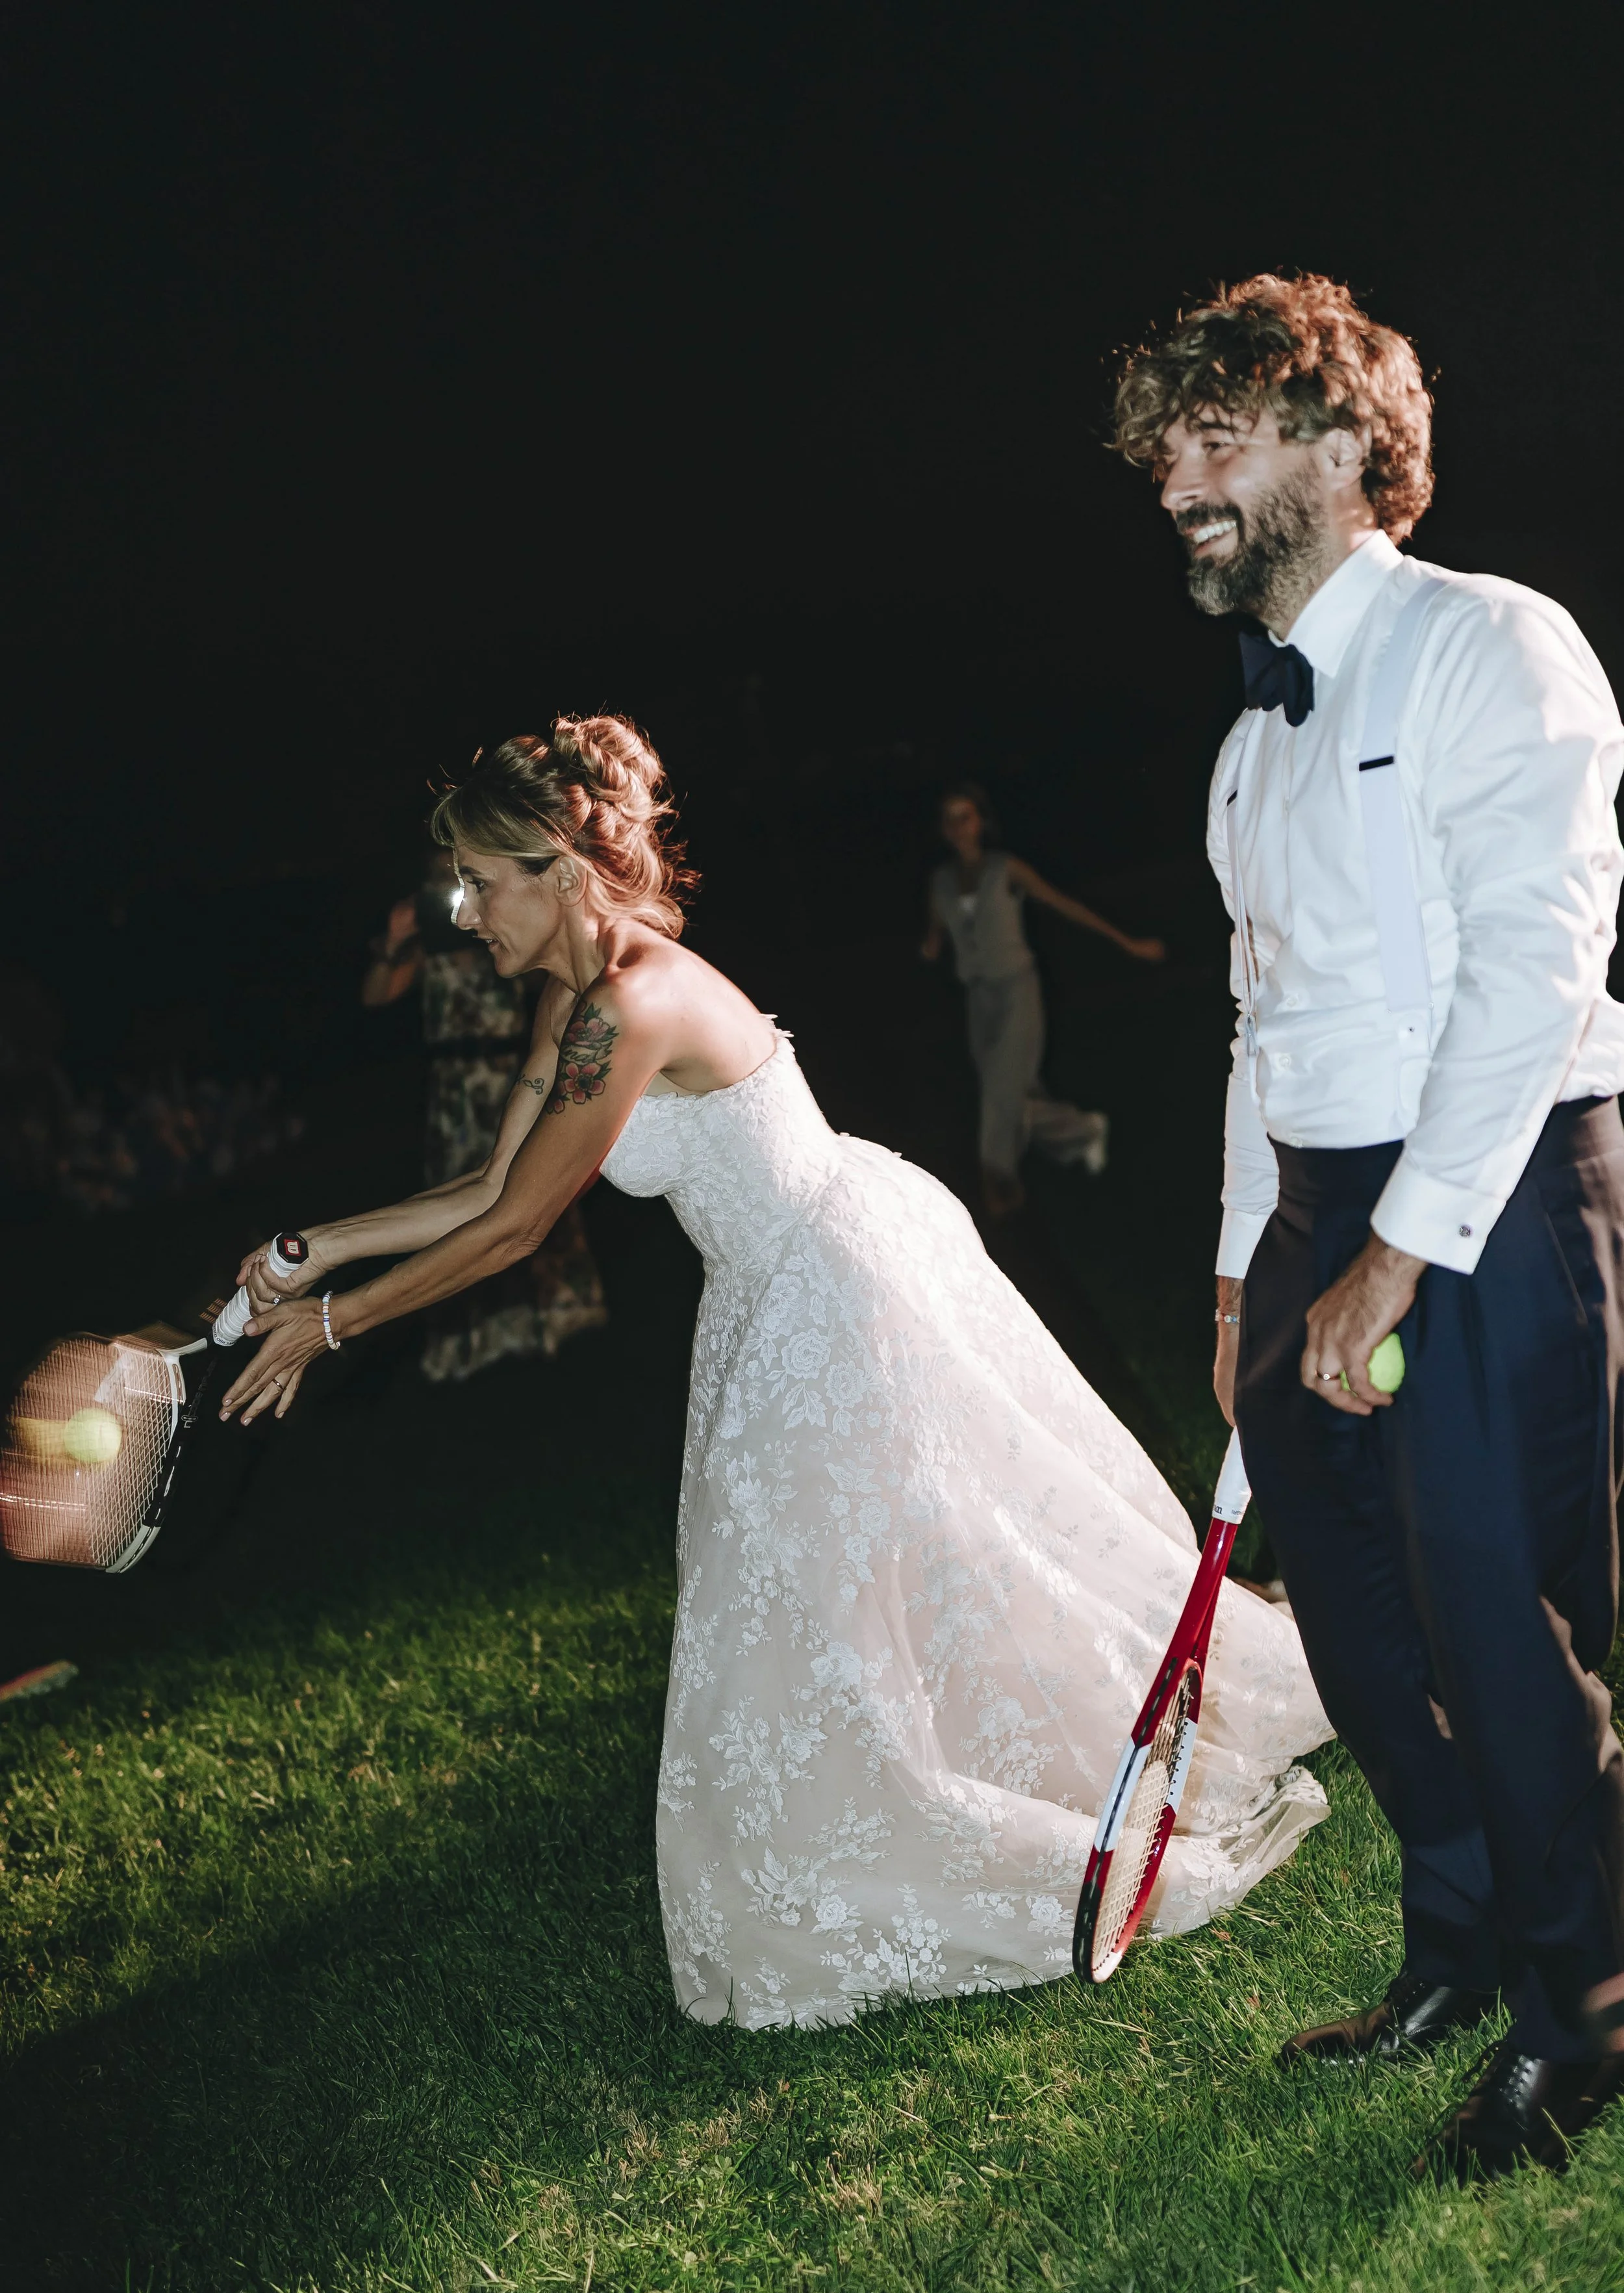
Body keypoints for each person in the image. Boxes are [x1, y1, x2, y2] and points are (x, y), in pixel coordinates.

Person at [223, 715, 1330, 2031]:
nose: (461, 913)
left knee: (862, 1585)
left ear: (558, 874)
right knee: (867, 1584)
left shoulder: (631, 998)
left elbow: (523, 1226)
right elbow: (482, 1184)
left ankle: (974, 1817)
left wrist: (333, 1325)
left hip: (836, 1287)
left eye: (477, 881)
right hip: (776, 1289)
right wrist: (308, 1250)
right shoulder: (576, 1002)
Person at [1115, 272, 1624, 2177]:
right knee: (1344, 1601)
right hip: (1324, 1207)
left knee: (1501, 1620)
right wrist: (1250, 1258)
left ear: (1343, 445)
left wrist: (1397, 1250)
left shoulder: (1493, 646)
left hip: (1490, 1191)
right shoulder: (1242, 750)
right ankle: (1458, 1933)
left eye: (1212, 434)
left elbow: (1529, 965)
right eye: (1160, 445)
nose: (1172, 478)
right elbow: (1260, 1026)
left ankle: (1579, 2009)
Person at [361, 843, 606, 1378]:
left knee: (537, 1192)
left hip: (511, 1076)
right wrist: (396, 942)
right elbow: (377, 996)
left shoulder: (518, 940)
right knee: (467, 1196)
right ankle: (478, 1337)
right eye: (449, 884)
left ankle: (558, 1324)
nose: (462, 906)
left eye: (473, 882)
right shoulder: (433, 944)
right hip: (456, 1088)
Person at [920, 786, 1166, 1216]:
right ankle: (1084, 1131)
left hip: (1017, 988)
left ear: (981, 822)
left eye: (966, 816)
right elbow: (939, 930)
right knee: (1012, 1092)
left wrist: (1128, 944)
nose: (959, 827)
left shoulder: (1005, 869)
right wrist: (932, 945)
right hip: (978, 999)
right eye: (950, 819)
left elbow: (1064, 905)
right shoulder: (940, 882)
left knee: (1000, 1088)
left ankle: (997, 1181)